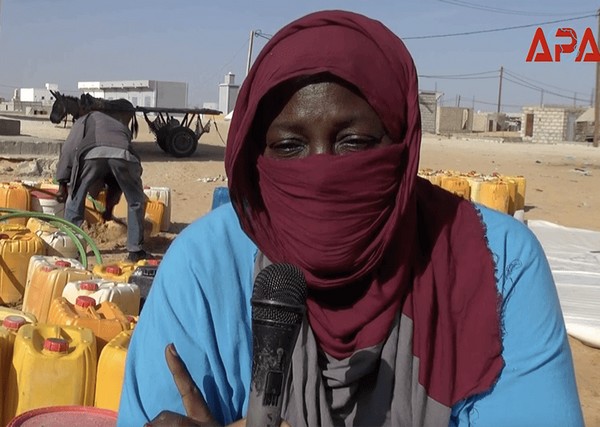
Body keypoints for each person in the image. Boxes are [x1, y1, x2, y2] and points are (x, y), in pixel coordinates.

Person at [118, 10, 584, 427]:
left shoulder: (494, 264)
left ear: (402, 147)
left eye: (355, 143)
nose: (322, 172)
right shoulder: (202, 268)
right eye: (288, 146)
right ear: (253, 157)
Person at [55, 105, 150, 262]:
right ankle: (135, 251)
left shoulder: (83, 121)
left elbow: (68, 150)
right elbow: (117, 182)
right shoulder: (117, 125)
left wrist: (62, 184)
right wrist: (109, 208)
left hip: (92, 153)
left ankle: (72, 249)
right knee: (135, 201)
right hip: (123, 154)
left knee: (76, 197)